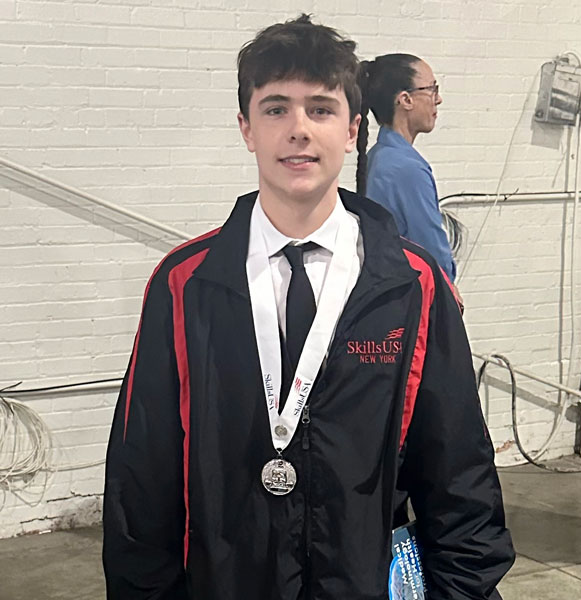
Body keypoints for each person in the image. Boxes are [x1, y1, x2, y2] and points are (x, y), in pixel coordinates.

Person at [102, 14, 514, 599]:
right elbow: (142, 479)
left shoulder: (413, 284)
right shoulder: (184, 284)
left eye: (320, 109)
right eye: (276, 109)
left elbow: (458, 470)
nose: (298, 129)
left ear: (351, 130)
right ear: (247, 129)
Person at [356, 54, 457, 286]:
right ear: (405, 100)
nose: (438, 99)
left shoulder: (379, 156)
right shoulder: (405, 168)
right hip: (414, 292)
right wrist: (448, 286)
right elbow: (431, 250)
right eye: (432, 89)